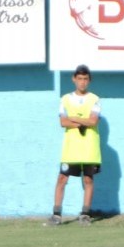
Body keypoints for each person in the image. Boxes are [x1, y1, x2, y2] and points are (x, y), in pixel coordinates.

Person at [47, 64, 101, 227]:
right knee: (62, 178)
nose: (82, 82)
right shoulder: (65, 99)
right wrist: (82, 121)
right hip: (71, 148)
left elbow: (93, 121)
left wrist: (74, 119)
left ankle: (85, 214)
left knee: (88, 179)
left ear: (89, 80)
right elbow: (63, 122)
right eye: (79, 79)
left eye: (85, 79)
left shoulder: (95, 99)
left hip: (90, 147)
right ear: (74, 79)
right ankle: (56, 215)